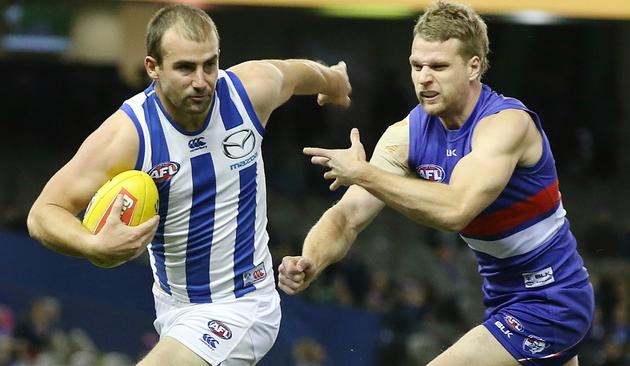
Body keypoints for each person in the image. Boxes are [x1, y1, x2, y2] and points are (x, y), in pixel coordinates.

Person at [26, 4, 351, 365]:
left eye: (209, 64)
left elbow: (298, 73)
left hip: (244, 305)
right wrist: (91, 244)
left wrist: (335, 81)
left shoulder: (248, 92)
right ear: (153, 68)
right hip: (172, 310)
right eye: (184, 67)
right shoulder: (129, 135)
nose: (201, 80)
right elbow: (43, 213)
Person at [278, 1, 594, 365]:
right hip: (503, 299)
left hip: (551, 299)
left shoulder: (506, 125)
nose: (424, 77)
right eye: (417, 65)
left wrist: (365, 173)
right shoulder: (406, 136)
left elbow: (456, 209)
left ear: (474, 66)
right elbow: (347, 216)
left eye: (439, 66)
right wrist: (310, 260)